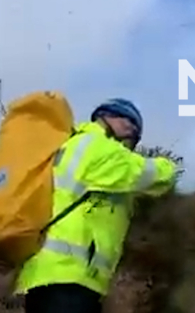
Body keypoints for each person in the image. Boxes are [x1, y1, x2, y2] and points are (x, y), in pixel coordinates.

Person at [15, 98, 178, 313]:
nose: (133, 132)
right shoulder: (95, 146)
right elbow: (148, 175)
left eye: (136, 130)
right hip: (67, 278)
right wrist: (170, 167)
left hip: (52, 277)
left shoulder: (73, 146)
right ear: (105, 117)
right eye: (127, 122)